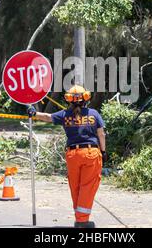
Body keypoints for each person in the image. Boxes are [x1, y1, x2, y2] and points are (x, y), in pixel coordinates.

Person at [29, 85, 107, 228]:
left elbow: (47, 117)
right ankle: (82, 221)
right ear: (86, 98)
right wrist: (103, 152)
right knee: (87, 186)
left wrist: (34, 113)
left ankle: (80, 217)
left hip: (72, 155)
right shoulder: (94, 113)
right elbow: (101, 134)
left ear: (69, 100)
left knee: (75, 186)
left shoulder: (65, 114)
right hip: (90, 153)